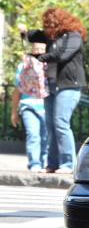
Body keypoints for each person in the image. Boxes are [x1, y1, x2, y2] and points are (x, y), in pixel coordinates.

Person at [19, 7, 87, 174]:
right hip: (51, 86)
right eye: (45, 24)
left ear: (59, 21)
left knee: (60, 123)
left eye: (49, 23)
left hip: (69, 86)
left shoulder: (74, 36)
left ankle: (67, 164)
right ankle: (52, 164)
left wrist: (39, 58)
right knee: (50, 125)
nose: (47, 26)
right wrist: (25, 31)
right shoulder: (51, 37)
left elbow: (62, 55)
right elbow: (34, 35)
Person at [10, 42, 48, 172]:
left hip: (45, 107)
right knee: (33, 135)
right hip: (28, 105)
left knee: (45, 136)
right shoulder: (23, 66)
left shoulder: (48, 66)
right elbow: (17, 90)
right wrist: (14, 112)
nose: (38, 51)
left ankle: (44, 163)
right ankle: (34, 164)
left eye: (42, 49)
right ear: (31, 49)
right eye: (36, 49)